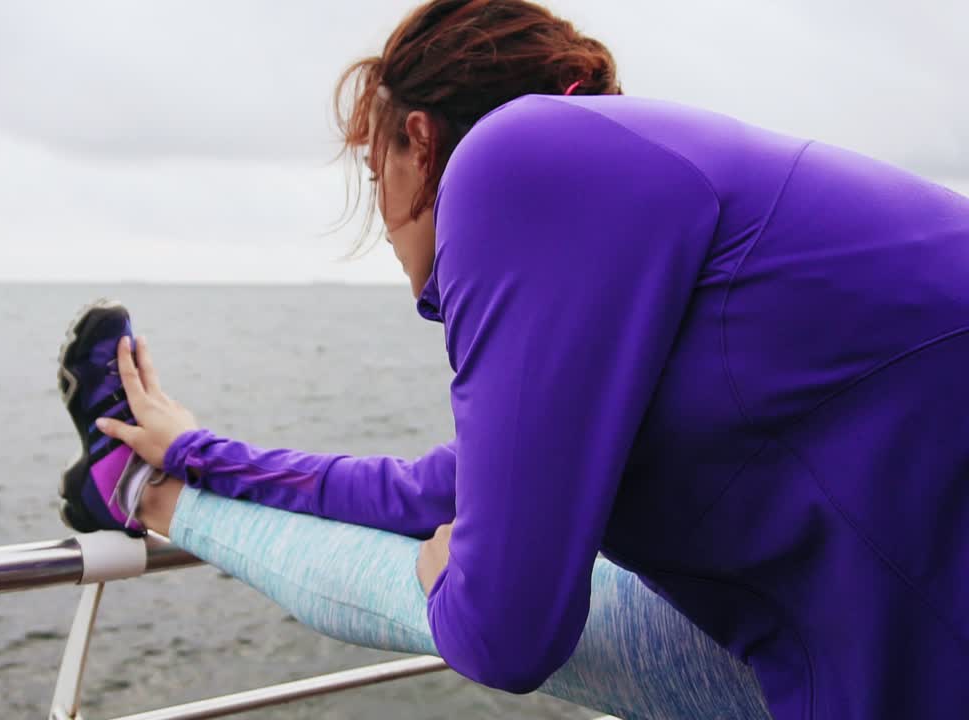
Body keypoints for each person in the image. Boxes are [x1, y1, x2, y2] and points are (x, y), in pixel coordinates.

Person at [56, 1, 969, 718]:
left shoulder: (511, 156)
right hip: (896, 649)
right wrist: (196, 446)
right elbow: (427, 492)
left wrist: (443, 570)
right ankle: (145, 486)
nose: (379, 213)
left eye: (374, 173)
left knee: (435, 587)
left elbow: (504, 633)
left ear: (419, 140)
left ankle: (135, 494)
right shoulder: (649, 236)